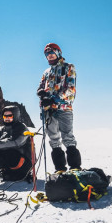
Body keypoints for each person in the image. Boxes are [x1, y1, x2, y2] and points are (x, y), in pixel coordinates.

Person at [37, 43, 81, 172]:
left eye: (51, 53)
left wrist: (54, 98)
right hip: (49, 110)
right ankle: (60, 169)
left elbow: (70, 89)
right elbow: (41, 86)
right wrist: (41, 93)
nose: (49, 56)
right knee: (54, 139)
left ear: (58, 53)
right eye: (47, 54)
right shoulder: (46, 72)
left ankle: (75, 167)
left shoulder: (68, 67)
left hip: (64, 108)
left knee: (67, 137)